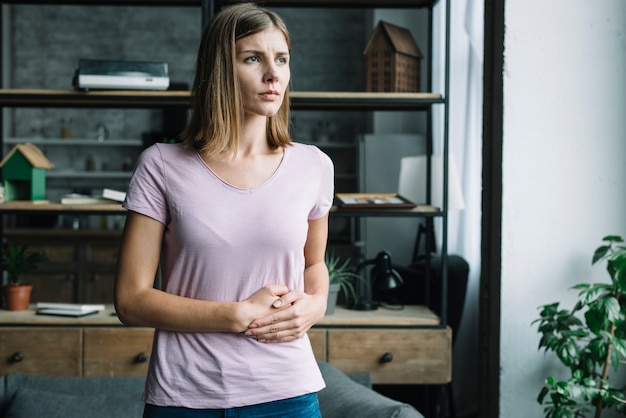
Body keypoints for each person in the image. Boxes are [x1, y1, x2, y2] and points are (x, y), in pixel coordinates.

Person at [114, 3, 334, 417]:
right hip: (184, 395)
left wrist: (317, 303)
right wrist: (236, 316)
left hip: (286, 393)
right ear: (220, 69)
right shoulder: (161, 165)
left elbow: (314, 264)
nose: (273, 74)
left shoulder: (314, 166)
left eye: (281, 60)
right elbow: (129, 300)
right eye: (253, 58)